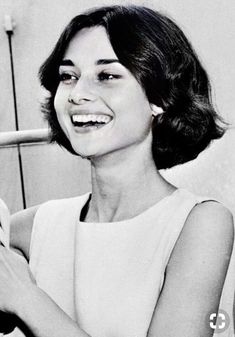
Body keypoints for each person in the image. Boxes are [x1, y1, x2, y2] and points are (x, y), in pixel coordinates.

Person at [0, 5, 234, 337]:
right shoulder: (25, 229)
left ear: (160, 97)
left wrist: (24, 296)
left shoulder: (200, 223)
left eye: (107, 76)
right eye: (68, 76)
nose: (77, 94)